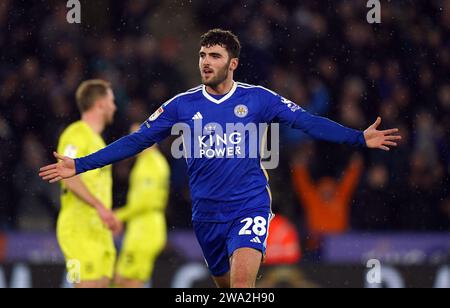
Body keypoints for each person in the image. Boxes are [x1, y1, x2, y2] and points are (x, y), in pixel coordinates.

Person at [39, 29, 401, 288]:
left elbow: (306, 121)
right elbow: (136, 140)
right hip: (206, 215)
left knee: (241, 286)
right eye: (201, 56)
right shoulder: (181, 105)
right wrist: (81, 164)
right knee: (226, 285)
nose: (205, 62)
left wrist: (357, 138)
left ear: (233, 63)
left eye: (214, 56)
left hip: (248, 207)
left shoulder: (259, 98)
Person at [55, 79, 120, 288]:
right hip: (77, 230)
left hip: (98, 231)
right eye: (111, 101)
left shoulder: (98, 142)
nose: (114, 106)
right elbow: (68, 176)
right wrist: (99, 206)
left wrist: (108, 214)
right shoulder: (75, 134)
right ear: (100, 103)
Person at [114, 124, 170, 288]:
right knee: (121, 280)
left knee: (130, 281)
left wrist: (118, 215)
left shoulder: (151, 163)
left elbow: (146, 201)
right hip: (140, 226)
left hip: (145, 228)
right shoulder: (146, 162)